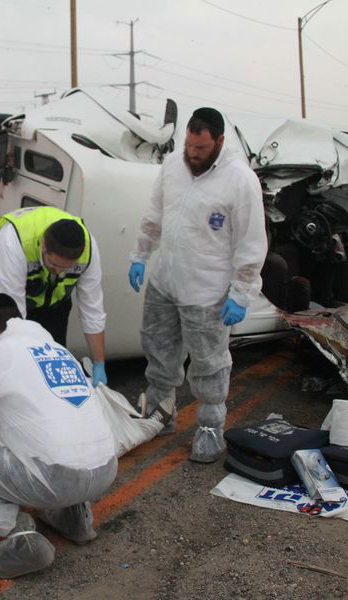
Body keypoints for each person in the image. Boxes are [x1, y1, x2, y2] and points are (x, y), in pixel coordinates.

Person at [0, 294, 117, 579]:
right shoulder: (57, 349)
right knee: (56, 439)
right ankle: (77, 522)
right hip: (106, 469)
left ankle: (19, 535)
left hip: (58, 479)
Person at [127, 107, 267, 464]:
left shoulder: (240, 180)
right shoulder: (173, 165)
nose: (193, 154)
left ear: (219, 142)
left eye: (201, 148)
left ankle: (209, 426)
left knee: (208, 362)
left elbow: (250, 244)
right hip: (166, 281)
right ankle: (161, 412)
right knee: (158, 348)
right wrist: (141, 254)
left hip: (206, 291)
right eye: (189, 145)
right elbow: (155, 213)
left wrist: (240, 293)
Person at [0, 206, 109, 387]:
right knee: (7, 367)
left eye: (66, 269)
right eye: (54, 265)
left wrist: (99, 363)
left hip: (50, 299)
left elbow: (92, 310)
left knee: (53, 363)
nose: (59, 272)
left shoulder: (89, 250)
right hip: (4, 293)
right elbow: (12, 318)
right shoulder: (15, 241)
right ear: (43, 245)